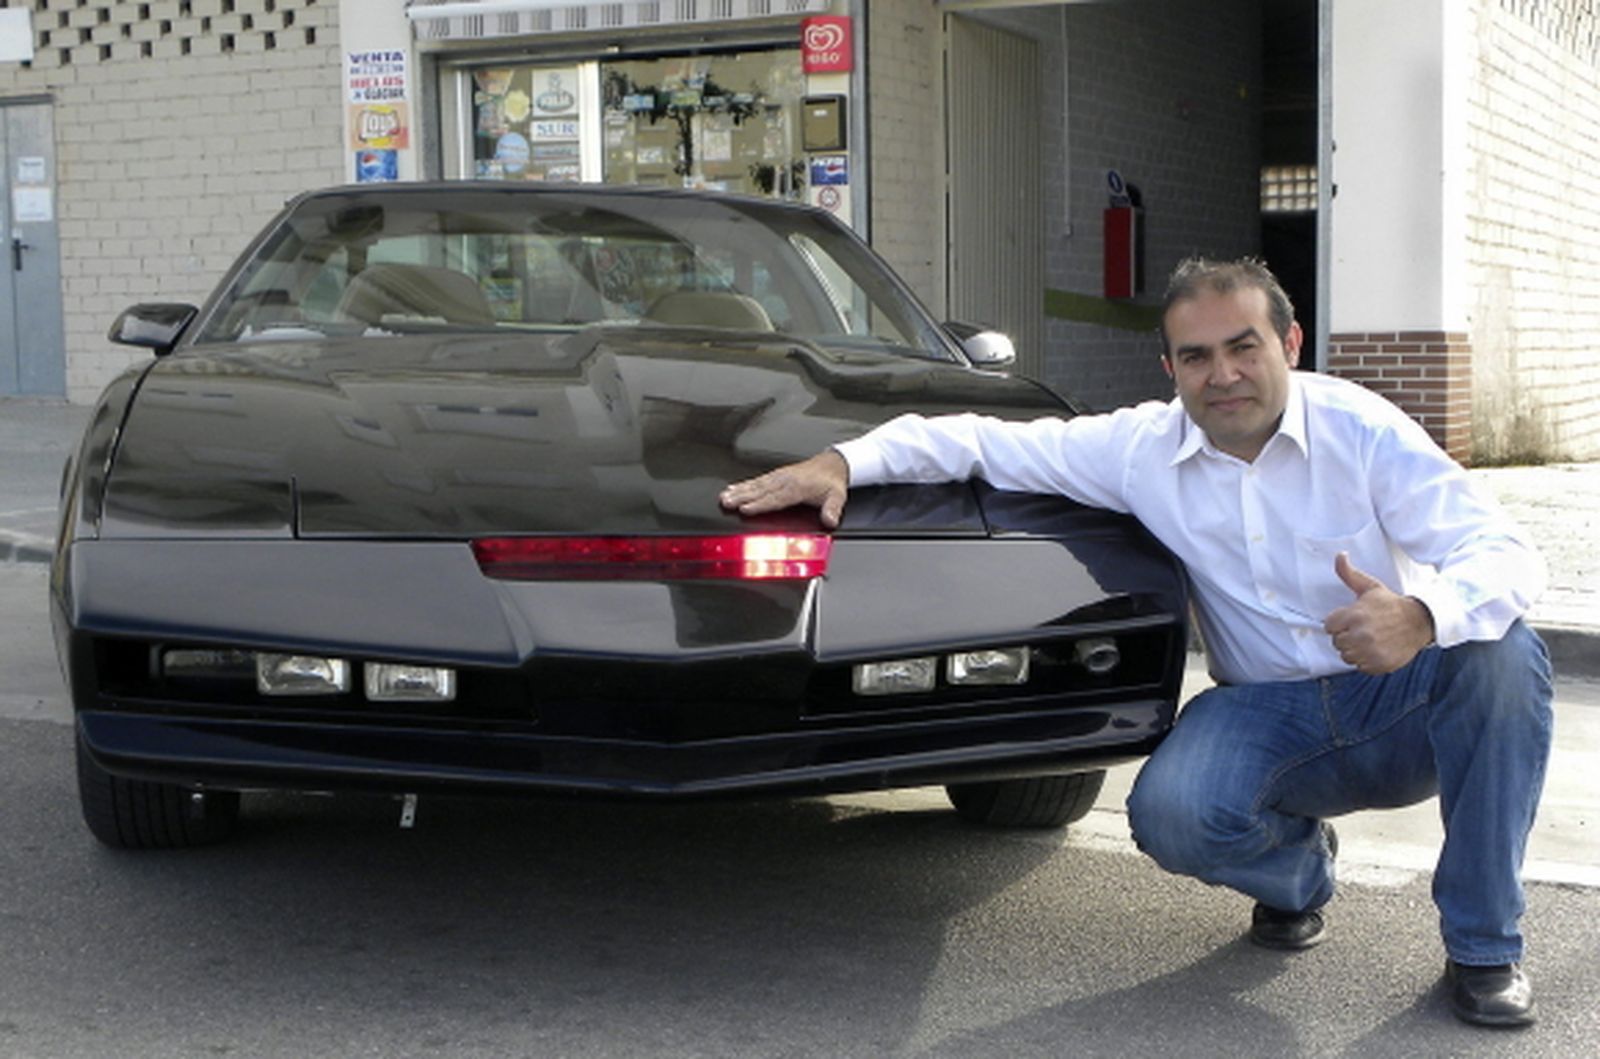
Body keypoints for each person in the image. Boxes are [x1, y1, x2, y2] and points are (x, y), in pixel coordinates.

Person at [719, 257, 1553, 1028]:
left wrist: (1421, 614)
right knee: (1170, 813)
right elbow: (977, 440)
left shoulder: (1362, 429)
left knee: (1505, 656)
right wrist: (844, 461)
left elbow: (1507, 553)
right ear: (1170, 368)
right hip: (1266, 713)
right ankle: (1299, 869)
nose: (1223, 374)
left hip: (1398, 699)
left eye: (1244, 346)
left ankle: (1484, 948)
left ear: (1290, 343)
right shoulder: (1139, 449)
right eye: (1196, 357)